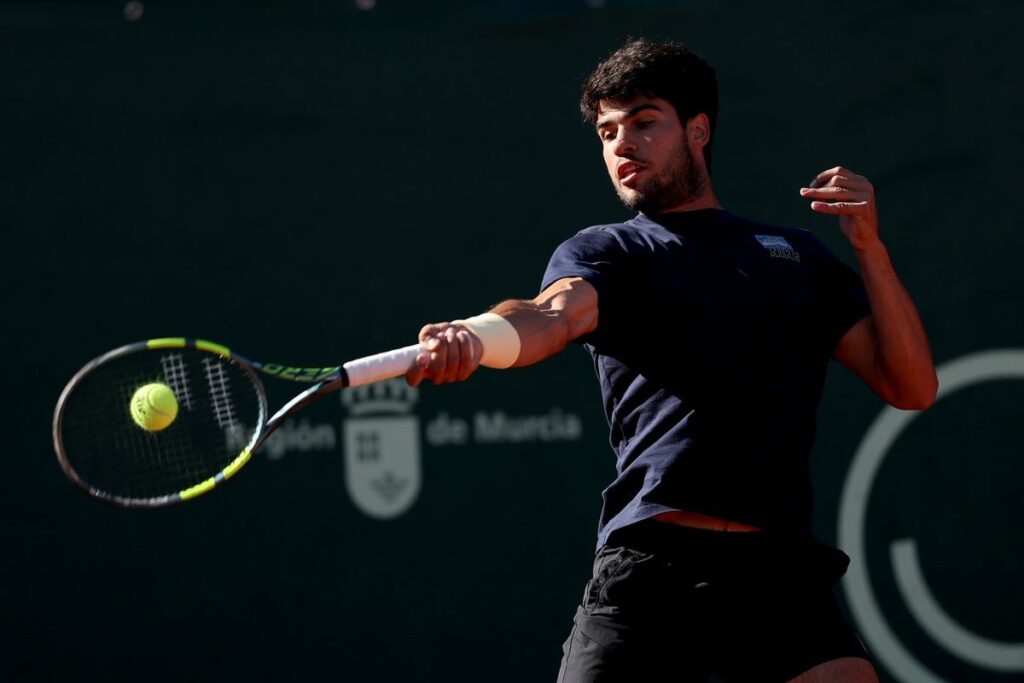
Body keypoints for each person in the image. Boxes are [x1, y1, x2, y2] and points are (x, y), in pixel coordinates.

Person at [405, 39, 936, 683]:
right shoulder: (608, 251)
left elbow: (910, 385)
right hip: (651, 566)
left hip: (776, 571)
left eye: (644, 121)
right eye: (607, 131)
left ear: (698, 129)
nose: (621, 144)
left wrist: (870, 249)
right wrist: (476, 335)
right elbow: (550, 315)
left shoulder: (794, 257)